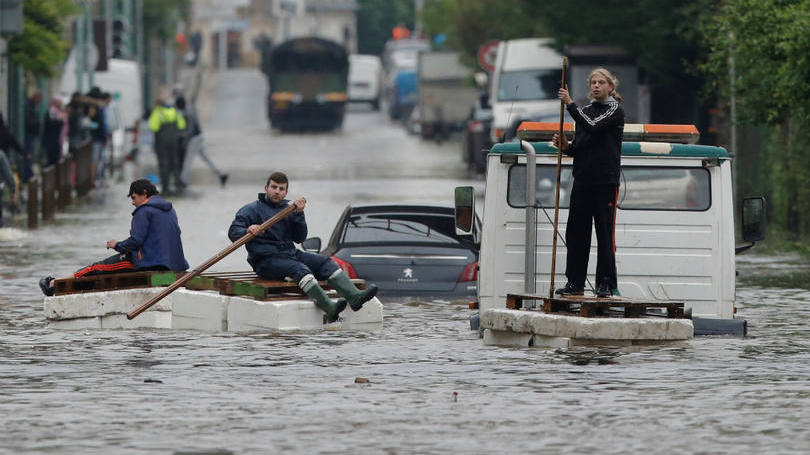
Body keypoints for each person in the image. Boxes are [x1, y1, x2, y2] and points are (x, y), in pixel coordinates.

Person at [228, 172, 377, 322]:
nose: (277, 191)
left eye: (281, 189)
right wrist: (248, 230)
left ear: (286, 192)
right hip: (265, 261)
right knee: (300, 269)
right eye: (274, 187)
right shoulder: (250, 210)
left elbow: (299, 238)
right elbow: (233, 232)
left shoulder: (289, 210)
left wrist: (299, 215)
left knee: (325, 261)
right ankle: (329, 308)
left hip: (290, 253)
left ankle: (354, 296)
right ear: (266, 188)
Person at [39, 179, 189, 296]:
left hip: (149, 264)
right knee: (103, 266)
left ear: (144, 193)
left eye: (134, 198)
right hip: (175, 265)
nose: (133, 202)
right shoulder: (169, 210)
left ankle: (54, 284)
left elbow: (136, 241)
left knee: (97, 267)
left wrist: (116, 245)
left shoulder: (143, 211)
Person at [552, 67, 624, 298]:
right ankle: (575, 282)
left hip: (605, 182)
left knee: (604, 234)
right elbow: (581, 146)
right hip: (582, 180)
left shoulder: (614, 110)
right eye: (593, 82)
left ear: (610, 87)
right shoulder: (585, 111)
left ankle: (605, 283)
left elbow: (593, 126)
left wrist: (570, 104)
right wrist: (566, 147)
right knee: (576, 234)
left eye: (601, 82)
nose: (596, 86)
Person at [175, 95, 228, 187]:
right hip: (199, 137)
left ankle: (183, 181)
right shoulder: (191, 109)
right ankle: (221, 174)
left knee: (188, 160)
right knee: (206, 158)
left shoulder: (187, 113)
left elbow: (189, 130)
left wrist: (184, 141)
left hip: (194, 139)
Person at [148, 89, 186, 195]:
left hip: (161, 143)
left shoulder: (158, 112)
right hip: (174, 142)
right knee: (175, 163)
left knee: (164, 164)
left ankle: (166, 188)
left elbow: (153, 127)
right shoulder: (174, 112)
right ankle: (178, 185)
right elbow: (182, 125)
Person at [21, 91, 43, 183]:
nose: (40, 102)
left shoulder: (31, 105)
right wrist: (38, 124)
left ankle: (28, 174)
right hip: (29, 134)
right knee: (29, 154)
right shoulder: (29, 106)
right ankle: (27, 175)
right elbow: (28, 121)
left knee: (31, 154)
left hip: (31, 134)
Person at [41, 94, 67, 167]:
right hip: (51, 140)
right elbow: (51, 123)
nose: (61, 104)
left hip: (57, 138)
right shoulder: (52, 111)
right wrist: (60, 120)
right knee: (52, 159)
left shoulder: (58, 111)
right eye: (59, 102)